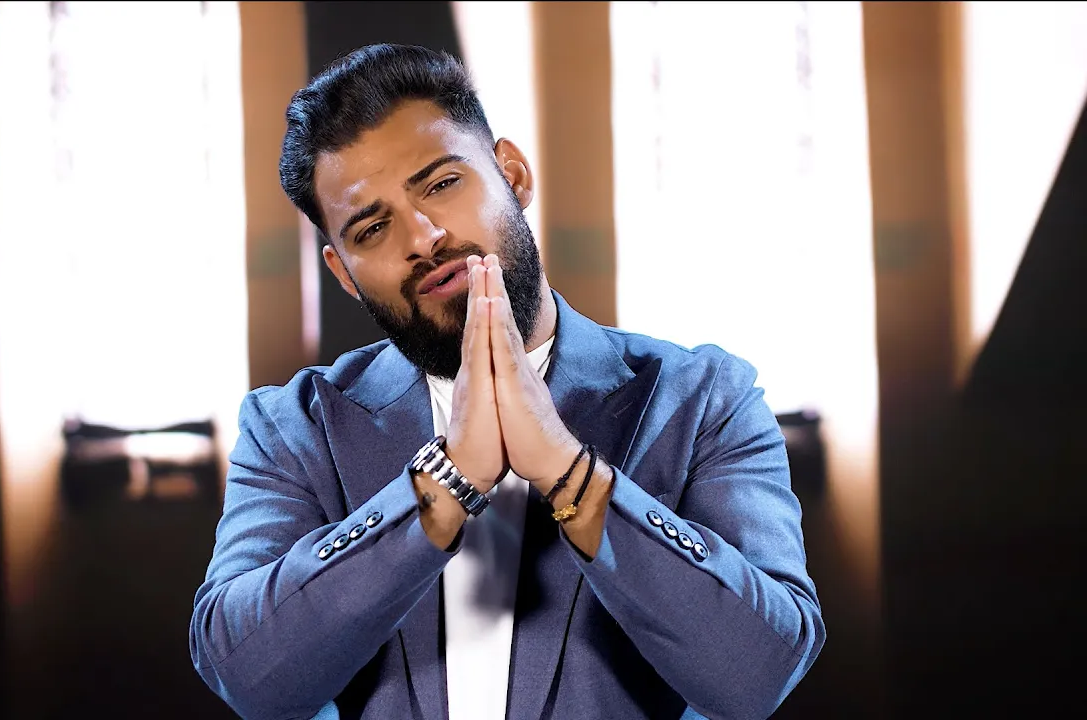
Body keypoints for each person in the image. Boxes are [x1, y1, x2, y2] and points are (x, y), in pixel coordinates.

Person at [190, 43, 824, 720]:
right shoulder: (294, 427)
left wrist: (568, 470)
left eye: (442, 184)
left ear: (512, 175)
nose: (423, 237)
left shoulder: (704, 398)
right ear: (344, 273)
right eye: (373, 228)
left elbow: (760, 672)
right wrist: (446, 481)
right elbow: (246, 675)